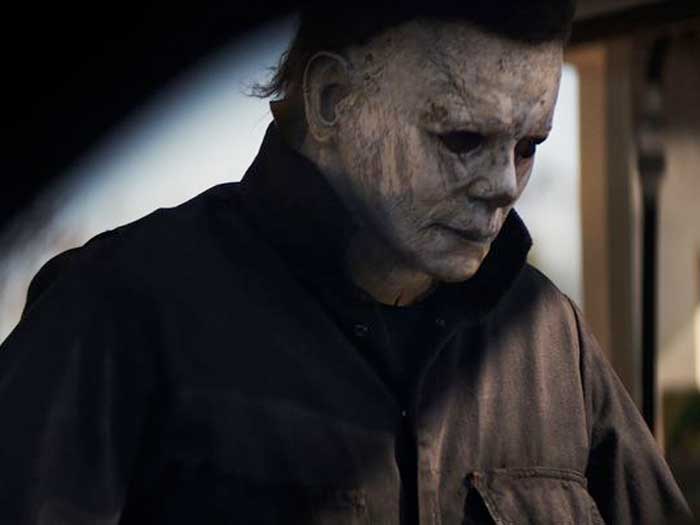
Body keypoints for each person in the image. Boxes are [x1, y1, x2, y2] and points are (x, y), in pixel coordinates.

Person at [0, 2, 693, 524]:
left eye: (528, 145)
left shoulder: (551, 339)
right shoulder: (117, 311)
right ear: (333, 100)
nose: (505, 185)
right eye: (461, 138)